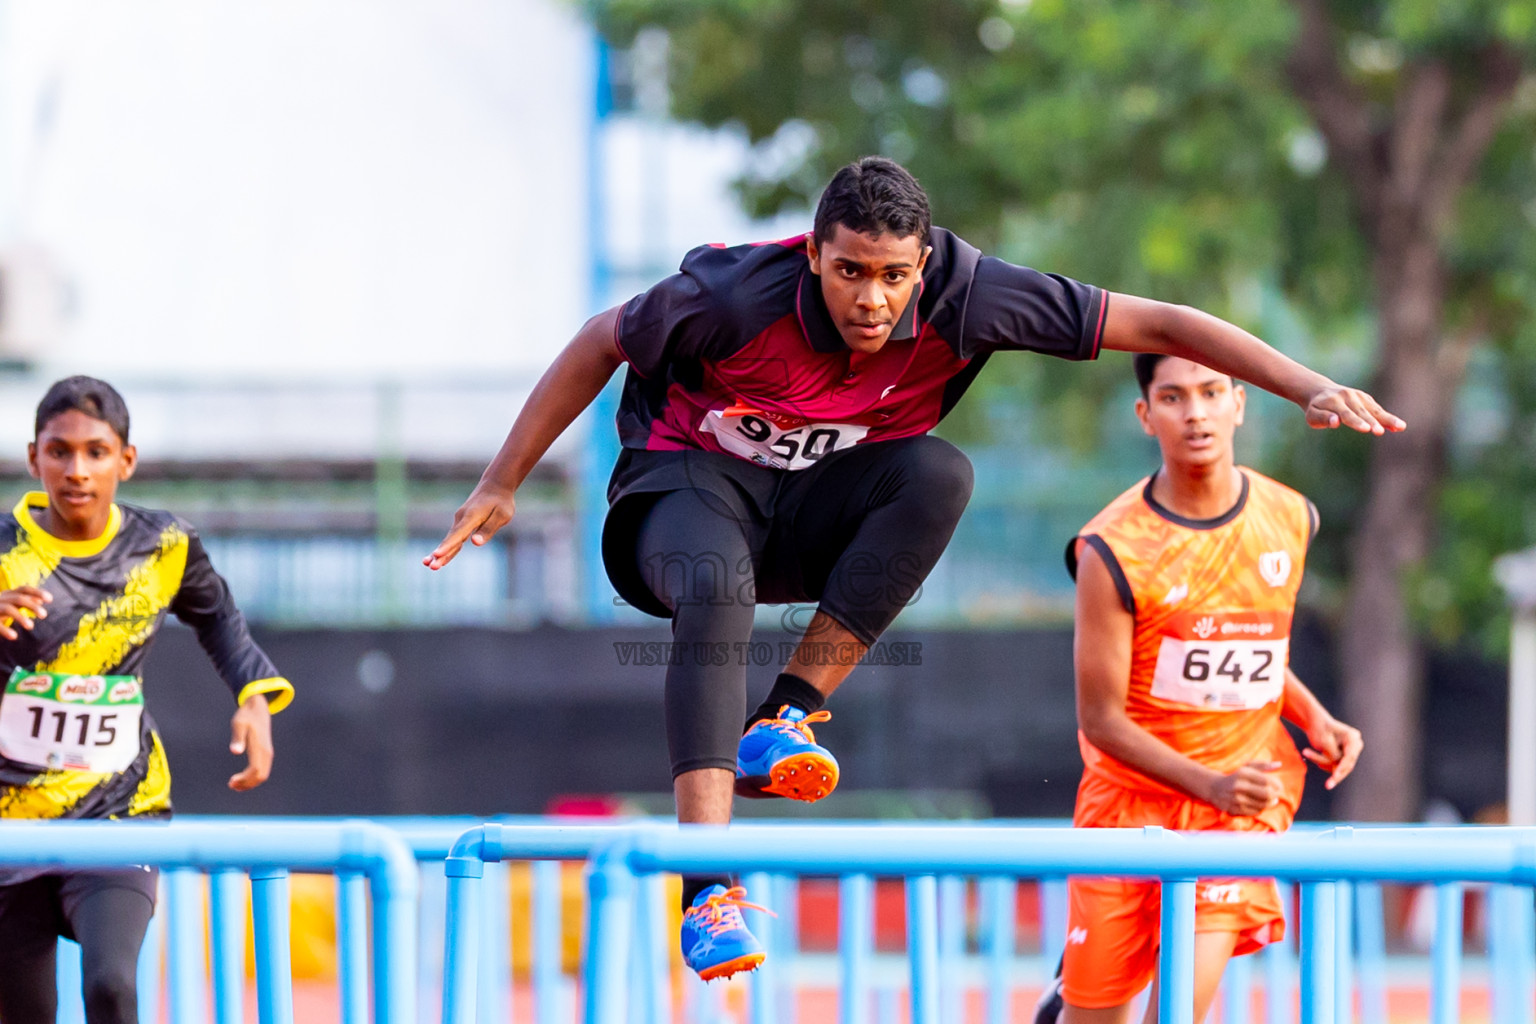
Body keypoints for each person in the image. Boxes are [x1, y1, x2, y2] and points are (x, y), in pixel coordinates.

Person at [424, 157, 1398, 980]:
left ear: (922, 264)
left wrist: (1309, 385)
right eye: (849, 273)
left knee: (938, 471)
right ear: (813, 257)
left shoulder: (973, 296)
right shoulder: (728, 297)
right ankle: (709, 891)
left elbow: (1169, 325)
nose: (872, 300)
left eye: (893, 276)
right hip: (682, 501)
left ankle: (788, 716)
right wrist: (502, 481)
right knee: (716, 586)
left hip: (811, 516)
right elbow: (601, 338)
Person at [1032, 354, 1364, 1024]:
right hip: (1126, 811)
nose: (1197, 413)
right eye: (1175, 397)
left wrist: (1311, 715)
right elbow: (1099, 720)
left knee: (1176, 1014)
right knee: (1097, 1016)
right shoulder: (1111, 549)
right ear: (1145, 415)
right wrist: (1204, 781)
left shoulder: (1292, 516)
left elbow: (1244, 646)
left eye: (1212, 393)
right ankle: (1067, 998)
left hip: (1236, 810)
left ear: (1239, 403)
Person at [0, 377, 294, 1024]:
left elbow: (218, 618)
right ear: (33, 458)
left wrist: (252, 694)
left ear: (125, 460)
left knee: (111, 987)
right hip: (10, 823)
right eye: (59, 451)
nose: (76, 470)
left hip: (119, 812)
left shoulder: (163, 547)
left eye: (96, 452)